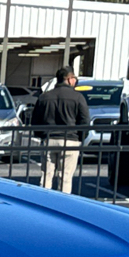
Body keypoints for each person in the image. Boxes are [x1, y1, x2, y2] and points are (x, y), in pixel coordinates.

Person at [30, 66, 90, 194]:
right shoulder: (78, 97)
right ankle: (62, 205)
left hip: (49, 139)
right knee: (65, 178)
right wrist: (80, 137)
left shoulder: (44, 97)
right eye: (74, 78)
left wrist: (41, 135)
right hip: (70, 140)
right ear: (69, 79)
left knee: (46, 175)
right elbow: (84, 120)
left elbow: (35, 120)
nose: (75, 81)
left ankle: (44, 203)